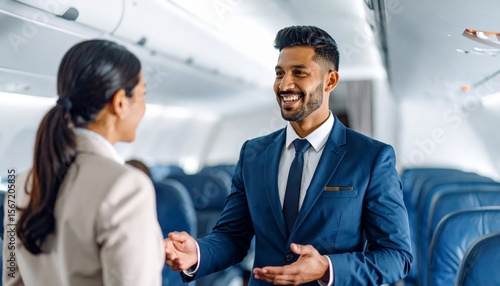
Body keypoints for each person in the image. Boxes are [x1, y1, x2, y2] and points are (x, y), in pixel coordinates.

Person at [165, 25, 412, 285]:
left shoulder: (370, 158)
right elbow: (232, 237)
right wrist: (198, 253)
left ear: (330, 81)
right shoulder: (253, 153)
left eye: (299, 73)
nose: (284, 85)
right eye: (279, 73)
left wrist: (327, 268)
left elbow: (396, 256)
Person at [3, 40, 164, 286]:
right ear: (120, 102)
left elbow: (13, 280)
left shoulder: (19, 186)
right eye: (142, 95)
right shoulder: (127, 186)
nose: (144, 107)